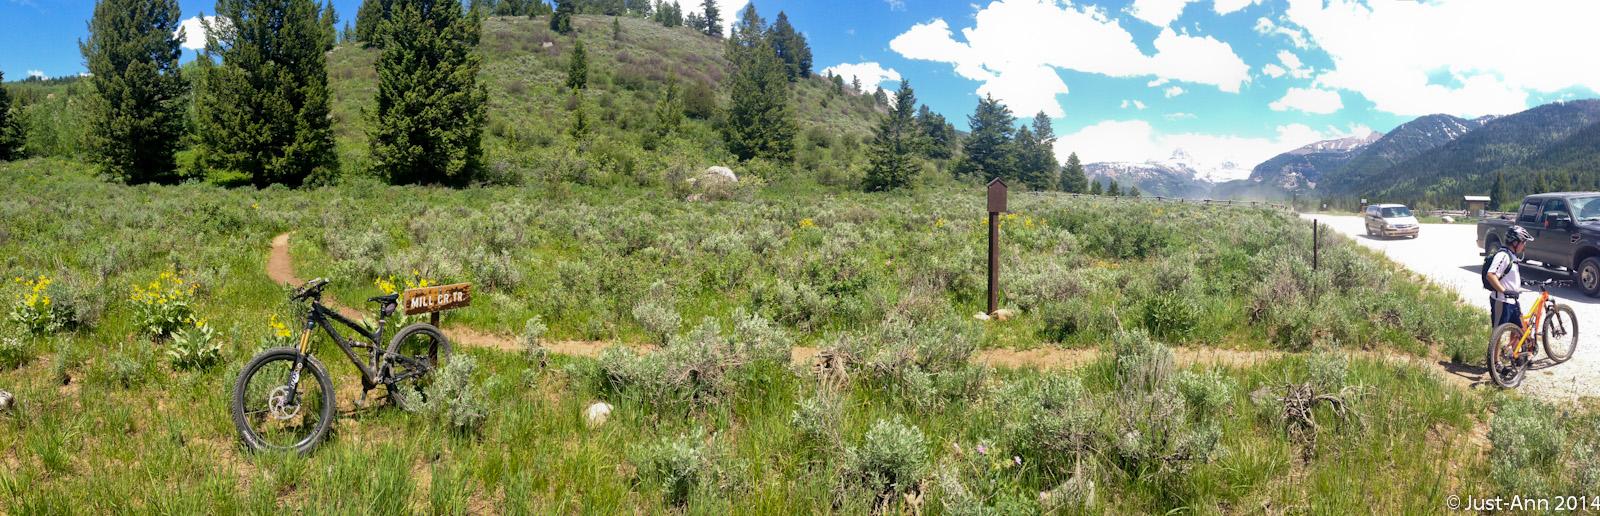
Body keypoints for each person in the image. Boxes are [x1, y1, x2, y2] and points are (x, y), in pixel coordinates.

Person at [1486, 226, 1533, 329]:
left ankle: (1513, 346)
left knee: (1520, 330)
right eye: (1523, 242)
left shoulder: (1512, 256)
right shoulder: (1503, 255)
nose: (1524, 246)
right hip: (1502, 301)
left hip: (1512, 301)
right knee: (1497, 334)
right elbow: (1490, 275)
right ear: (1515, 242)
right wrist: (1504, 291)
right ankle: (1496, 346)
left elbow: (1508, 275)